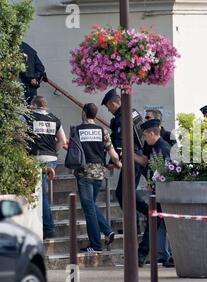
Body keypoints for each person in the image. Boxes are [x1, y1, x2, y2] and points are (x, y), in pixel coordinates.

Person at [75, 103, 122, 253]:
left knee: (89, 209)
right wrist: (119, 164)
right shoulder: (103, 131)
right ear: (95, 115)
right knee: (91, 205)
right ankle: (108, 231)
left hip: (83, 173)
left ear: (83, 113)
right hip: (99, 173)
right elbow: (113, 154)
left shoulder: (77, 130)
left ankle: (95, 245)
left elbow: (73, 151)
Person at [101, 89, 148, 234]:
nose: (108, 110)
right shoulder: (132, 112)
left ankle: (150, 214)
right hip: (138, 156)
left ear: (114, 103)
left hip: (132, 159)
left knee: (123, 193)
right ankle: (136, 225)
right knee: (127, 192)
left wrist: (113, 161)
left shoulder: (121, 117)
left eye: (108, 106)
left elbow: (119, 142)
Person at [24, 96, 67, 239]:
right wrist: (53, 151)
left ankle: (48, 227)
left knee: (40, 194)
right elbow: (63, 141)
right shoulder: (55, 119)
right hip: (51, 159)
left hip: (35, 158)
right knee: (42, 192)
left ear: (35, 105)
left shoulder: (29, 117)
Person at [134, 119, 174, 268]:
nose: (144, 138)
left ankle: (143, 254)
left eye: (145, 135)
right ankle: (144, 254)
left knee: (156, 223)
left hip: (162, 193)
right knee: (158, 223)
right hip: (159, 192)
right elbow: (147, 164)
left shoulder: (161, 148)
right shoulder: (155, 147)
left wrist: (152, 185)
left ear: (152, 133)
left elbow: (162, 172)